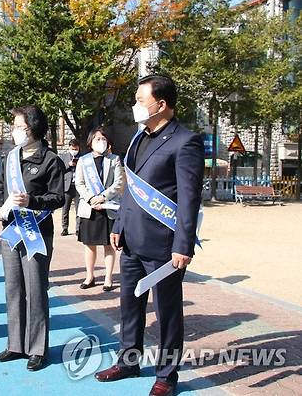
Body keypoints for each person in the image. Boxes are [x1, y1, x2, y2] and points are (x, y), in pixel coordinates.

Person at [94, 75, 204, 396]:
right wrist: (119, 225)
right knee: (130, 304)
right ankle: (128, 360)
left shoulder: (185, 141)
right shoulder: (138, 137)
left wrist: (183, 245)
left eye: (141, 100)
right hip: (131, 240)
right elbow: (131, 188)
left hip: (164, 246)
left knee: (168, 312)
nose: (136, 106)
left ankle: (167, 376)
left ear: (161, 104)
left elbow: (188, 198)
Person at [0, 105, 65, 371]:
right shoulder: (10, 157)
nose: (14, 131)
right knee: (13, 289)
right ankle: (15, 344)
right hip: (11, 233)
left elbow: (58, 197)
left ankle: (37, 348)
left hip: (36, 233)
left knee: (35, 290)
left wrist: (32, 200)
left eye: (18, 126)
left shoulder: (51, 160)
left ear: (32, 129)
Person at [75, 127, 125, 291]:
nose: (101, 142)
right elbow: (79, 183)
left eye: (104, 139)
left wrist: (103, 197)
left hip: (108, 207)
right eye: (97, 139)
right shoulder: (84, 161)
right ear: (90, 142)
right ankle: (90, 276)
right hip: (90, 209)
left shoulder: (114, 159)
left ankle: (108, 278)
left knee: (109, 245)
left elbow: (118, 183)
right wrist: (91, 199)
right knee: (89, 244)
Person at [59, 139, 81, 236]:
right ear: (69, 148)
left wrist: (78, 164)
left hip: (78, 186)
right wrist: (68, 165)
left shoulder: (82, 157)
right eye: (72, 149)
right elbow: (59, 169)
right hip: (67, 186)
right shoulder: (64, 157)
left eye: (76, 149)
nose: (74, 150)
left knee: (78, 209)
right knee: (65, 209)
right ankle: (65, 228)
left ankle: (78, 229)